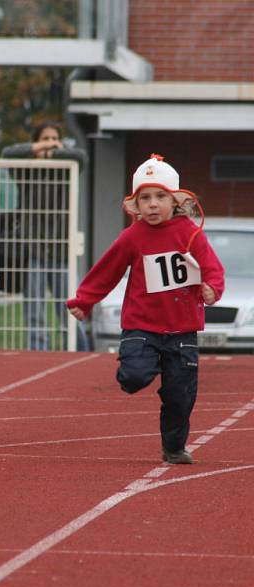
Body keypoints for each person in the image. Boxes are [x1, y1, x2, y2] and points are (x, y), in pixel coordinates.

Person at [66, 154, 224, 464]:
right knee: (135, 377)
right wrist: (84, 300)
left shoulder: (190, 234)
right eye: (145, 198)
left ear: (175, 201)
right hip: (141, 326)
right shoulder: (132, 237)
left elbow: (212, 268)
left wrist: (211, 289)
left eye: (160, 197)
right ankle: (133, 371)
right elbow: (106, 271)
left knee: (180, 395)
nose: (152, 204)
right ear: (136, 204)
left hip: (182, 330)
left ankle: (174, 446)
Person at [1, 121, 89, 351]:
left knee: (69, 308)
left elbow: (81, 155)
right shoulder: (25, 170)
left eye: (54, 139)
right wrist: (37, 149)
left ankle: (79, 351)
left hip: (62, 250)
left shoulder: (67, 167)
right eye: (45, 139)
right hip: (34, 250)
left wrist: (56, 151)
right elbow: (8, 153)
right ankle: (37, 353)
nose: (50, 144)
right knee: (35, 309)